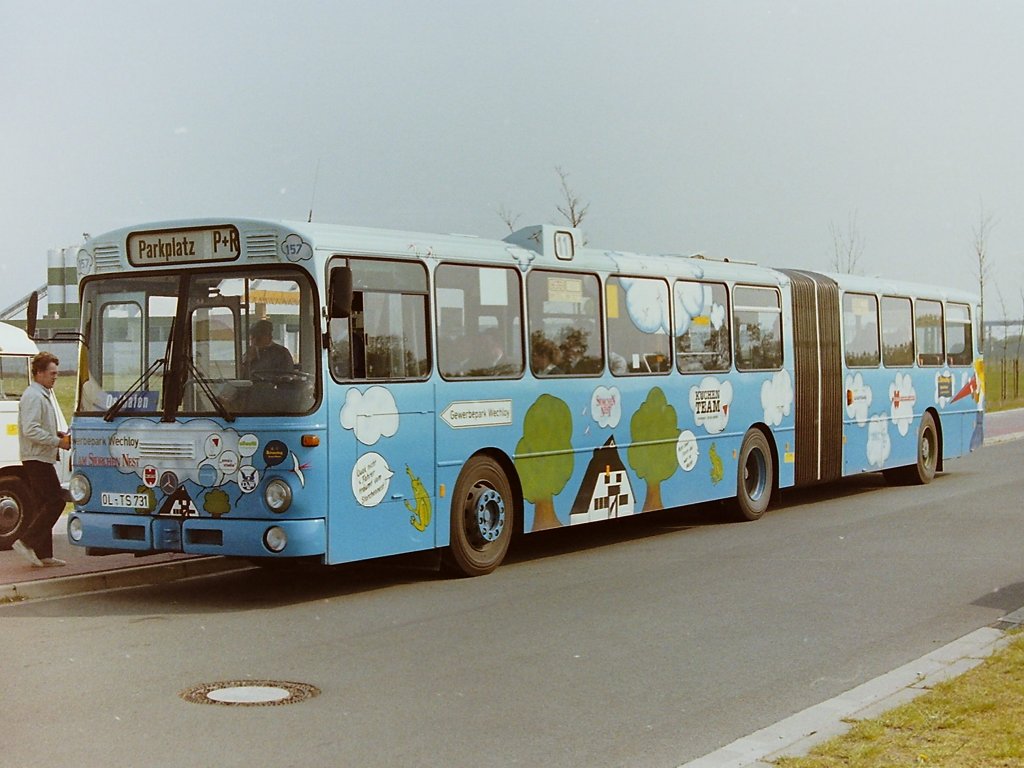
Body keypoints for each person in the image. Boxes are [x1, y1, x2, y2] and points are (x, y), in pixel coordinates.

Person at [12, 351, 71, 568]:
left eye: (56, 373)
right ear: (39, 373)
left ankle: (43, 553)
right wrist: (58, 442)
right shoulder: (34, 396)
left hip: (40, 456)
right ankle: (26, 541)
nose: (55, 377)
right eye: (52, 373)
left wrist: (56, 434)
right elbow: (30, 429)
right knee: (56, 500)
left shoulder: (41, 394)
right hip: (36, 458)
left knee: (42, 503)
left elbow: (37, 427)